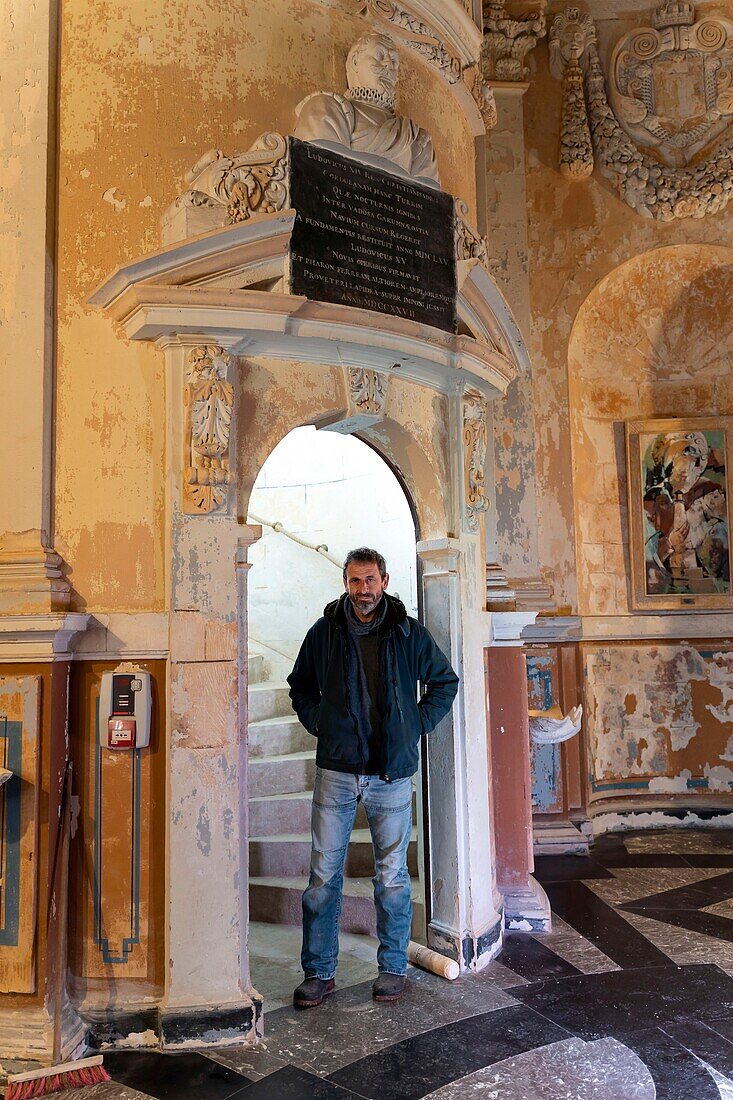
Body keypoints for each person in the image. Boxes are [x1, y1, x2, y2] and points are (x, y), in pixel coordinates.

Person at [287, 546, 458, 1007]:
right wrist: (320, 720)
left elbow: (445, 681)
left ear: (384, 581)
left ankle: (393, 966)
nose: (364, 590)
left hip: (391, 776)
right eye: (355, 581)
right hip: (337, 772)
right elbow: (299, 686)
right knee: (323, 875)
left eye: (371, 580)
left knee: (393, 876)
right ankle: (320, 972)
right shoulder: (324, 633)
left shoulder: (408, 633)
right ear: (346, 582)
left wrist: (414, 725)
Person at [293, 32, 440, 186]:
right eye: (379, 55)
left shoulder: (416, 137)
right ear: (355, 61)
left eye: (394, 61)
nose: (389, 65)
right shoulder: (325, 107)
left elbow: (432, 202)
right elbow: (316, 174)